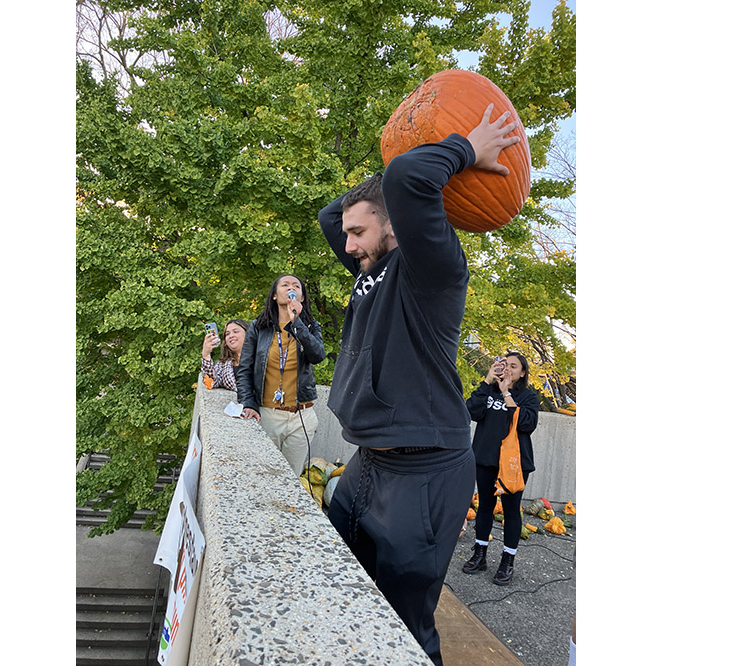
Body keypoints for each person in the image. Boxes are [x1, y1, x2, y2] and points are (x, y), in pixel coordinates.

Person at [319, 103, 522, 666]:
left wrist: (465, 148)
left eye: (360, 231)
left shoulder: (432, 271)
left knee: (405, 626)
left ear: (395, 225)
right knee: (342, 592)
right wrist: (392, 157)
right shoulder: (370, 268)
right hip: (369, 466)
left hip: (425, 473)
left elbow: (409, 180)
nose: (348, 242)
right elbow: (328, 215)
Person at [235, 274, 326, 475]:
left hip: (301, 416)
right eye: (284, 285)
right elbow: (245, 369)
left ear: (301, 298)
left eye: (296, 286)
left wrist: (298, 324)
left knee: (291, 479)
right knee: (264, 476)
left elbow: (318, 356)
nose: (290, 288)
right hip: (268, 415)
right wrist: (248, 403)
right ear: (275, 296)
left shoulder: (310, 327)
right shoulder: (258, 328)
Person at [461, 352, 540, 585]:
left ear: (523, 372)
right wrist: (487, 380)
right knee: (484, 507)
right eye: (504, 364)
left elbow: (527, 423)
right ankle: (480, 554)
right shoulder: (488, 391)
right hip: (485, 459)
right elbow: (471, 411)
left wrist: (506, 392)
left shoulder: (528, 397)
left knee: (511, 511)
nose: (508, 369)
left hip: (513, 465)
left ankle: (507, 561)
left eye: (514, 366)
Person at [200, 318, 249, 391]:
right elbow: (210, 384)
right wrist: (206, 354)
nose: (231, 336)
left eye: (235, 331)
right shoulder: (223, 366)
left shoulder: (260, 358)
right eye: (227, 334)